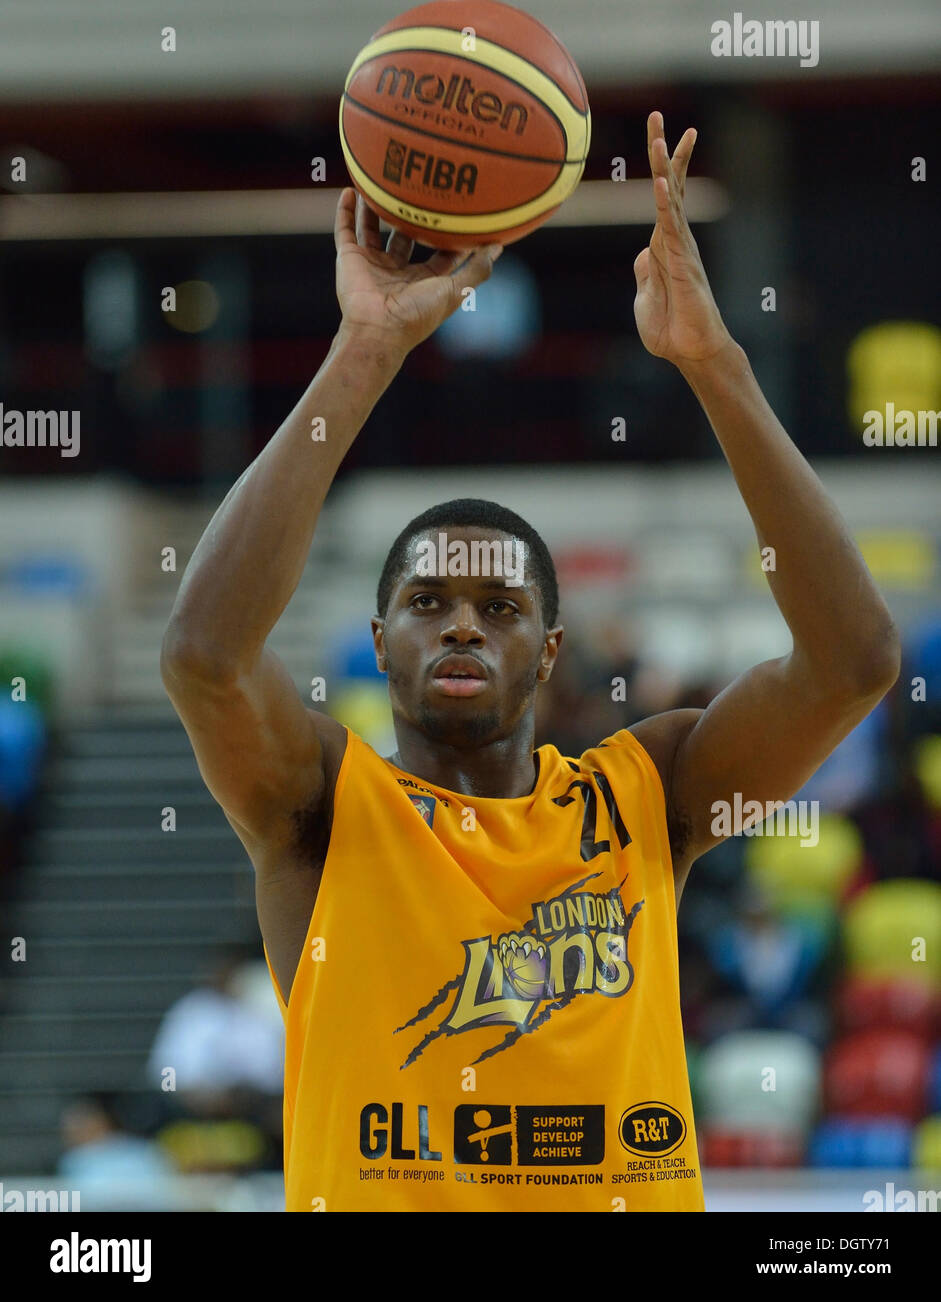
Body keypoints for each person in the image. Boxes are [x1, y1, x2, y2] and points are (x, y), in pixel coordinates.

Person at [160, 113, 900, 1212]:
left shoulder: (646, 794)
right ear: (378, 643)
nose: (460, 624)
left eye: (498, 605)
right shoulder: (321, 808)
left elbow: (850, 662)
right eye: (426, 602)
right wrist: (362, 352)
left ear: (549, 649)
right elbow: (204, 657)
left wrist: (714, 364)